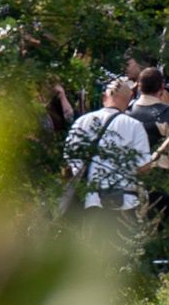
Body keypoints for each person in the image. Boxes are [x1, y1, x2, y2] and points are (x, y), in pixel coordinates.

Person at [61, 78, 151, 214]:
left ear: (104, 97)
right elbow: (143, 167)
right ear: (129, 100)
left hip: (86, 200)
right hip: (122, 203)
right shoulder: (134, 126)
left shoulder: (82, 121)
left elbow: (69, 157)